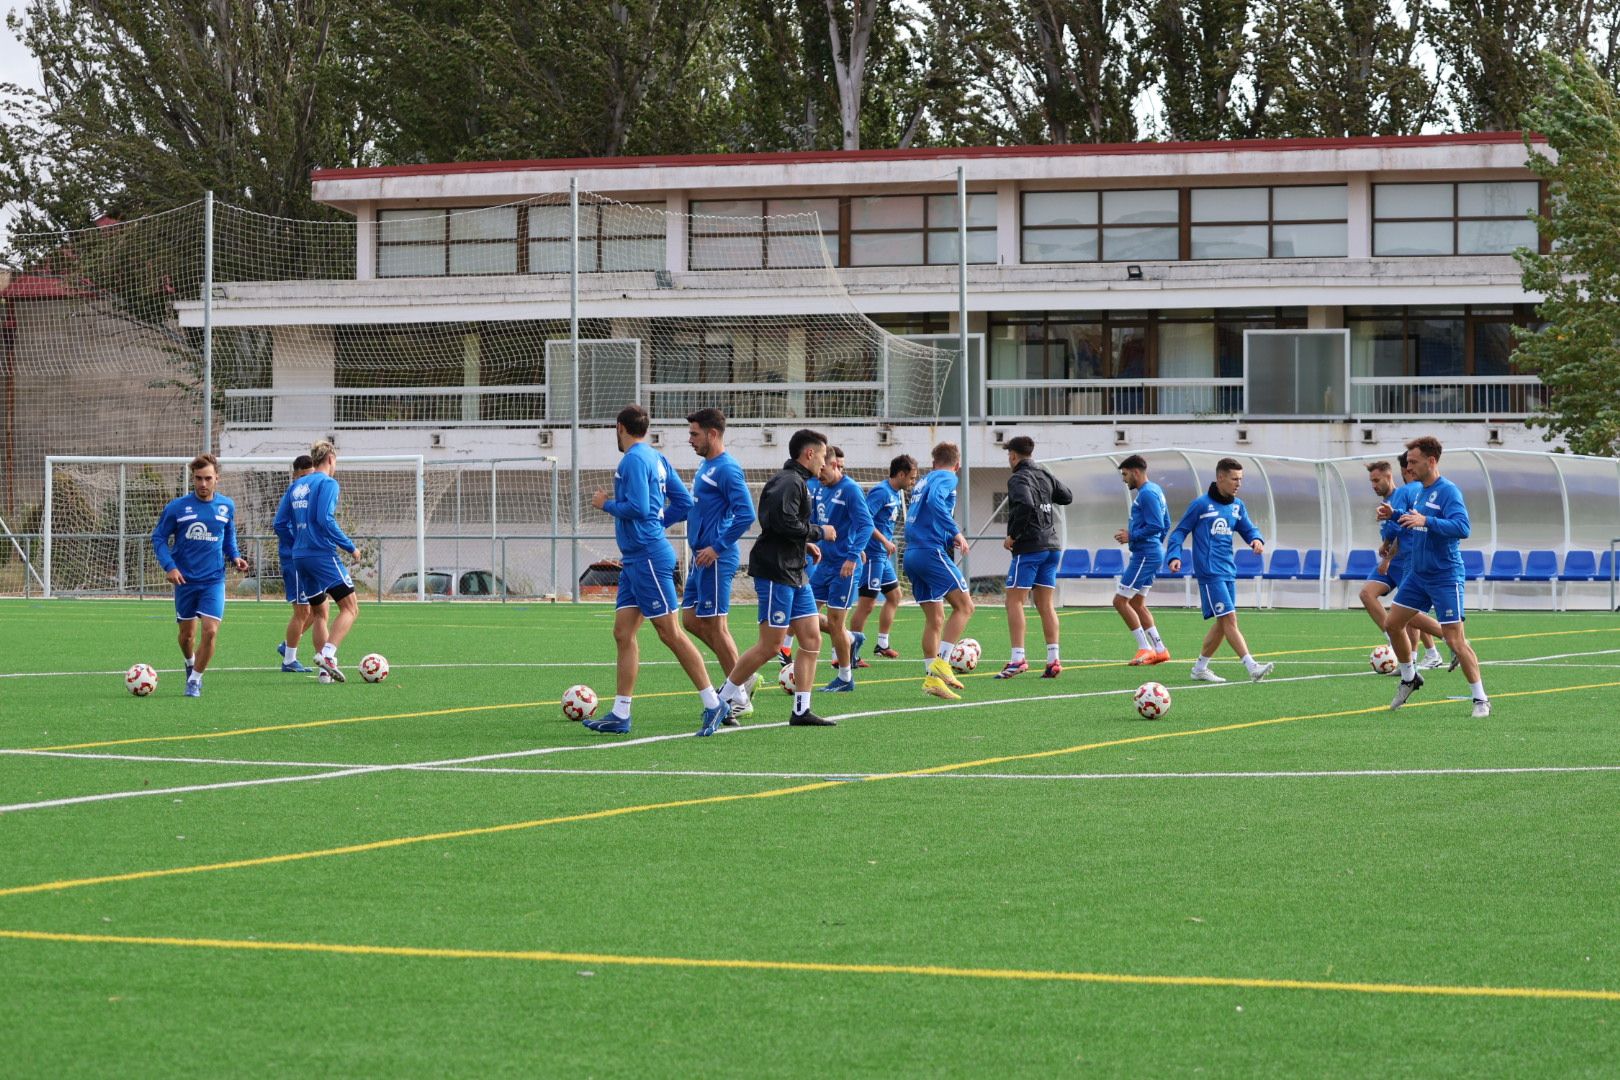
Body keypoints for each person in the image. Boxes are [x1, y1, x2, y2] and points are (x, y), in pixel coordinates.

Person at [589, 404, 727, 736]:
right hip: (637, 559)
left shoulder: (634, 460)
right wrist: (656, 521)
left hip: (648, 557)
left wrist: (604, 504)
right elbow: (684, 502)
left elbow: (637, 507)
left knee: (670, 633)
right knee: (623, 633)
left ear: (620, 427)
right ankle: (621, 713)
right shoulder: (657, 458)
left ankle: (714, 702)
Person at [717, 429, 838, 727]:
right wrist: (818, 533)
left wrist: (804, 543)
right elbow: (780, 522)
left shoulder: (798, 482)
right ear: (809, 454)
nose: (824, 464)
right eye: (822, 457)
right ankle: (720, 700)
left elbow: (783, 525)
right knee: (770, 645)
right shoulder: (789, 481)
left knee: (811, 637)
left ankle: (801, 710)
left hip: (795, 570)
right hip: (776, 571)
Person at [1381, 436, 1490, 717]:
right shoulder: (1418, 491)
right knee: (1393, 623)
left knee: (1455, 641)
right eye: (1408, 463)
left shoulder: (1449, 491)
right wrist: (1395, 515)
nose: (1410, 467)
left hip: (1444, 575)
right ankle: (1409, 677)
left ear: (1431, 461)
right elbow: (1415, 520)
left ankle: (1480, 699)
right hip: (1418, 575)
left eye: (1414, 462)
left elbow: (1462, 527)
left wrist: (1426, 521)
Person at [1164, 457, 1275, 684]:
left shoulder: (1237, 506)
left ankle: (1199, 668)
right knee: (1229, 619)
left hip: (1227, 570)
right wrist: (1174, 555)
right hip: (1209, 572)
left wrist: (1256, 540)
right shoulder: (1201, 505)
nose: (1238, 484)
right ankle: (1252, 666)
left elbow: (1248, 528)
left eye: (1241, 479)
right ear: (1220, 478)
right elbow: (1179, 532)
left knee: (1223, 624)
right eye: (1234, 479)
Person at [679, 408, 758, 719]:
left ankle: (739, 695)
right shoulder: (705, 466)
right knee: (690, 621)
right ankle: (744, 676)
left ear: (712, 434)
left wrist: (717, 546)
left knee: (716, 625)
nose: (690, 439)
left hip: (716, 557)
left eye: (694, 434)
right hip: (700, 558)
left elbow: (746, 514)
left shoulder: (727, 469)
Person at [150, 454, 249, 697]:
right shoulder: (177, 508)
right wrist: (169, 566)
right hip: (185, 581)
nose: (202, 484)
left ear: (217, 478)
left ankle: (195, 679)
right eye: (198, 479)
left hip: (213, 580)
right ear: (192, 479)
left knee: (211, 630)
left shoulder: (227, 506)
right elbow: (159, 538)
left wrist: (235, 556)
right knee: (186, 637)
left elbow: (228, 535)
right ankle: (189, 662)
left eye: (207, 478)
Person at [994, 436, 1072, 679]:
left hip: (1030, 547)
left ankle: (1018, 659)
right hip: (1052, 546)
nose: (1009, 458)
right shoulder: (1044, 474)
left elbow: (1026, 505)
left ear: (1014, 456)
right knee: (1045, 604)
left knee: (1014, 601)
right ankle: (1053, 660)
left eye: (1009, 454)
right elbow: (1066, 496)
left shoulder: (1018, 477)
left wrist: (1012, 535)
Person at [284, 440, 361, 683]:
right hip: (321, 554)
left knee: (319, 613)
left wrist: (299, 542)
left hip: (299, 556)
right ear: (329, 459)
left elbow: (279, 523)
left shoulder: (296, 486)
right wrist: (350, 546)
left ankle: (324, 673)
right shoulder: (328, 483)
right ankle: (328, 655)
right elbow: (324, 519)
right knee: (350, 608)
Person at [903, 441, 974, 700]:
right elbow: (935, 503)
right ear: (957, 465)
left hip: (911, 554)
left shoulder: (923, 480)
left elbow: (924, 512)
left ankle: (931, 680)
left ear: (933, 462)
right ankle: (943, 663)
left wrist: (946, 536)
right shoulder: (947, 477)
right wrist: (955, 531)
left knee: (935, 619)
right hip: (929, 552)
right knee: (965, 607)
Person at [1361, 456, 1445, 671]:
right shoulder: (1389, 501)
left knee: (1408, 612)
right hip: (1393, 560)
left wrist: (1387, 556)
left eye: (1376, 480)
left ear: (1389, 476)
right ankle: (1393, 638)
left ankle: (1442, 642)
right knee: (1367, 594)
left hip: (1406, 560)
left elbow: (1399, 529)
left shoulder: (1404, 493)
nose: (1373, 485)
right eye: (1371, 481)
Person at [810, 446, 875, 692]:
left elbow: (866, 526)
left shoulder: (850, 490)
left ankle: (845, 677)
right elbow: (818, 524)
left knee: (836, 623)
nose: (819, 473)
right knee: (803, 616)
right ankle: (850, 638)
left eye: (823, 468)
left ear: (835, 464)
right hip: (823, 564)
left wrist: (852, 556)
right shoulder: (818, 489)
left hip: (844, 568)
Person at [850, 454, 916, 666]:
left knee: (895, 595)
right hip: (872, 554)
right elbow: (865, 520)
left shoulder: (895, 494)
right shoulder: (881, 491)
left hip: (882, 555)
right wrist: (884, 542)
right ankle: (850, 652)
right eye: (911, 478)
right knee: (866, 605)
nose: (912, 482)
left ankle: (882, 644)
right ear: (901, 474)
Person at [1113, 454, 1172, 666]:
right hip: (1150, 552)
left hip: (1145, 554)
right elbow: (1166, 523)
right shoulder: (1155, 490)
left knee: (1120, 601)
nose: (1124, 479)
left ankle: (1144, 647)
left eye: (1125, 474)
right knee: (1137, 602)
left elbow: (1157, 525)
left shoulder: (1147, 494)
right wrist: (1155, 544)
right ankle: (1160, 649)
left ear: (1136, 472)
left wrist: (1134, 537)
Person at [272, 454, 318, 673]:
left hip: (311, 556)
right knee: (302, 610)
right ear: (296, 475)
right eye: (305, 476)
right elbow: (279, 524)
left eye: (312, 475)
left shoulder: (311, 494)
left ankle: (288, 644)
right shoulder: (293, 493)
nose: (308, 480)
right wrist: (298, 542)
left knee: (321, 608)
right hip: (295, 557)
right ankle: (289, 659)